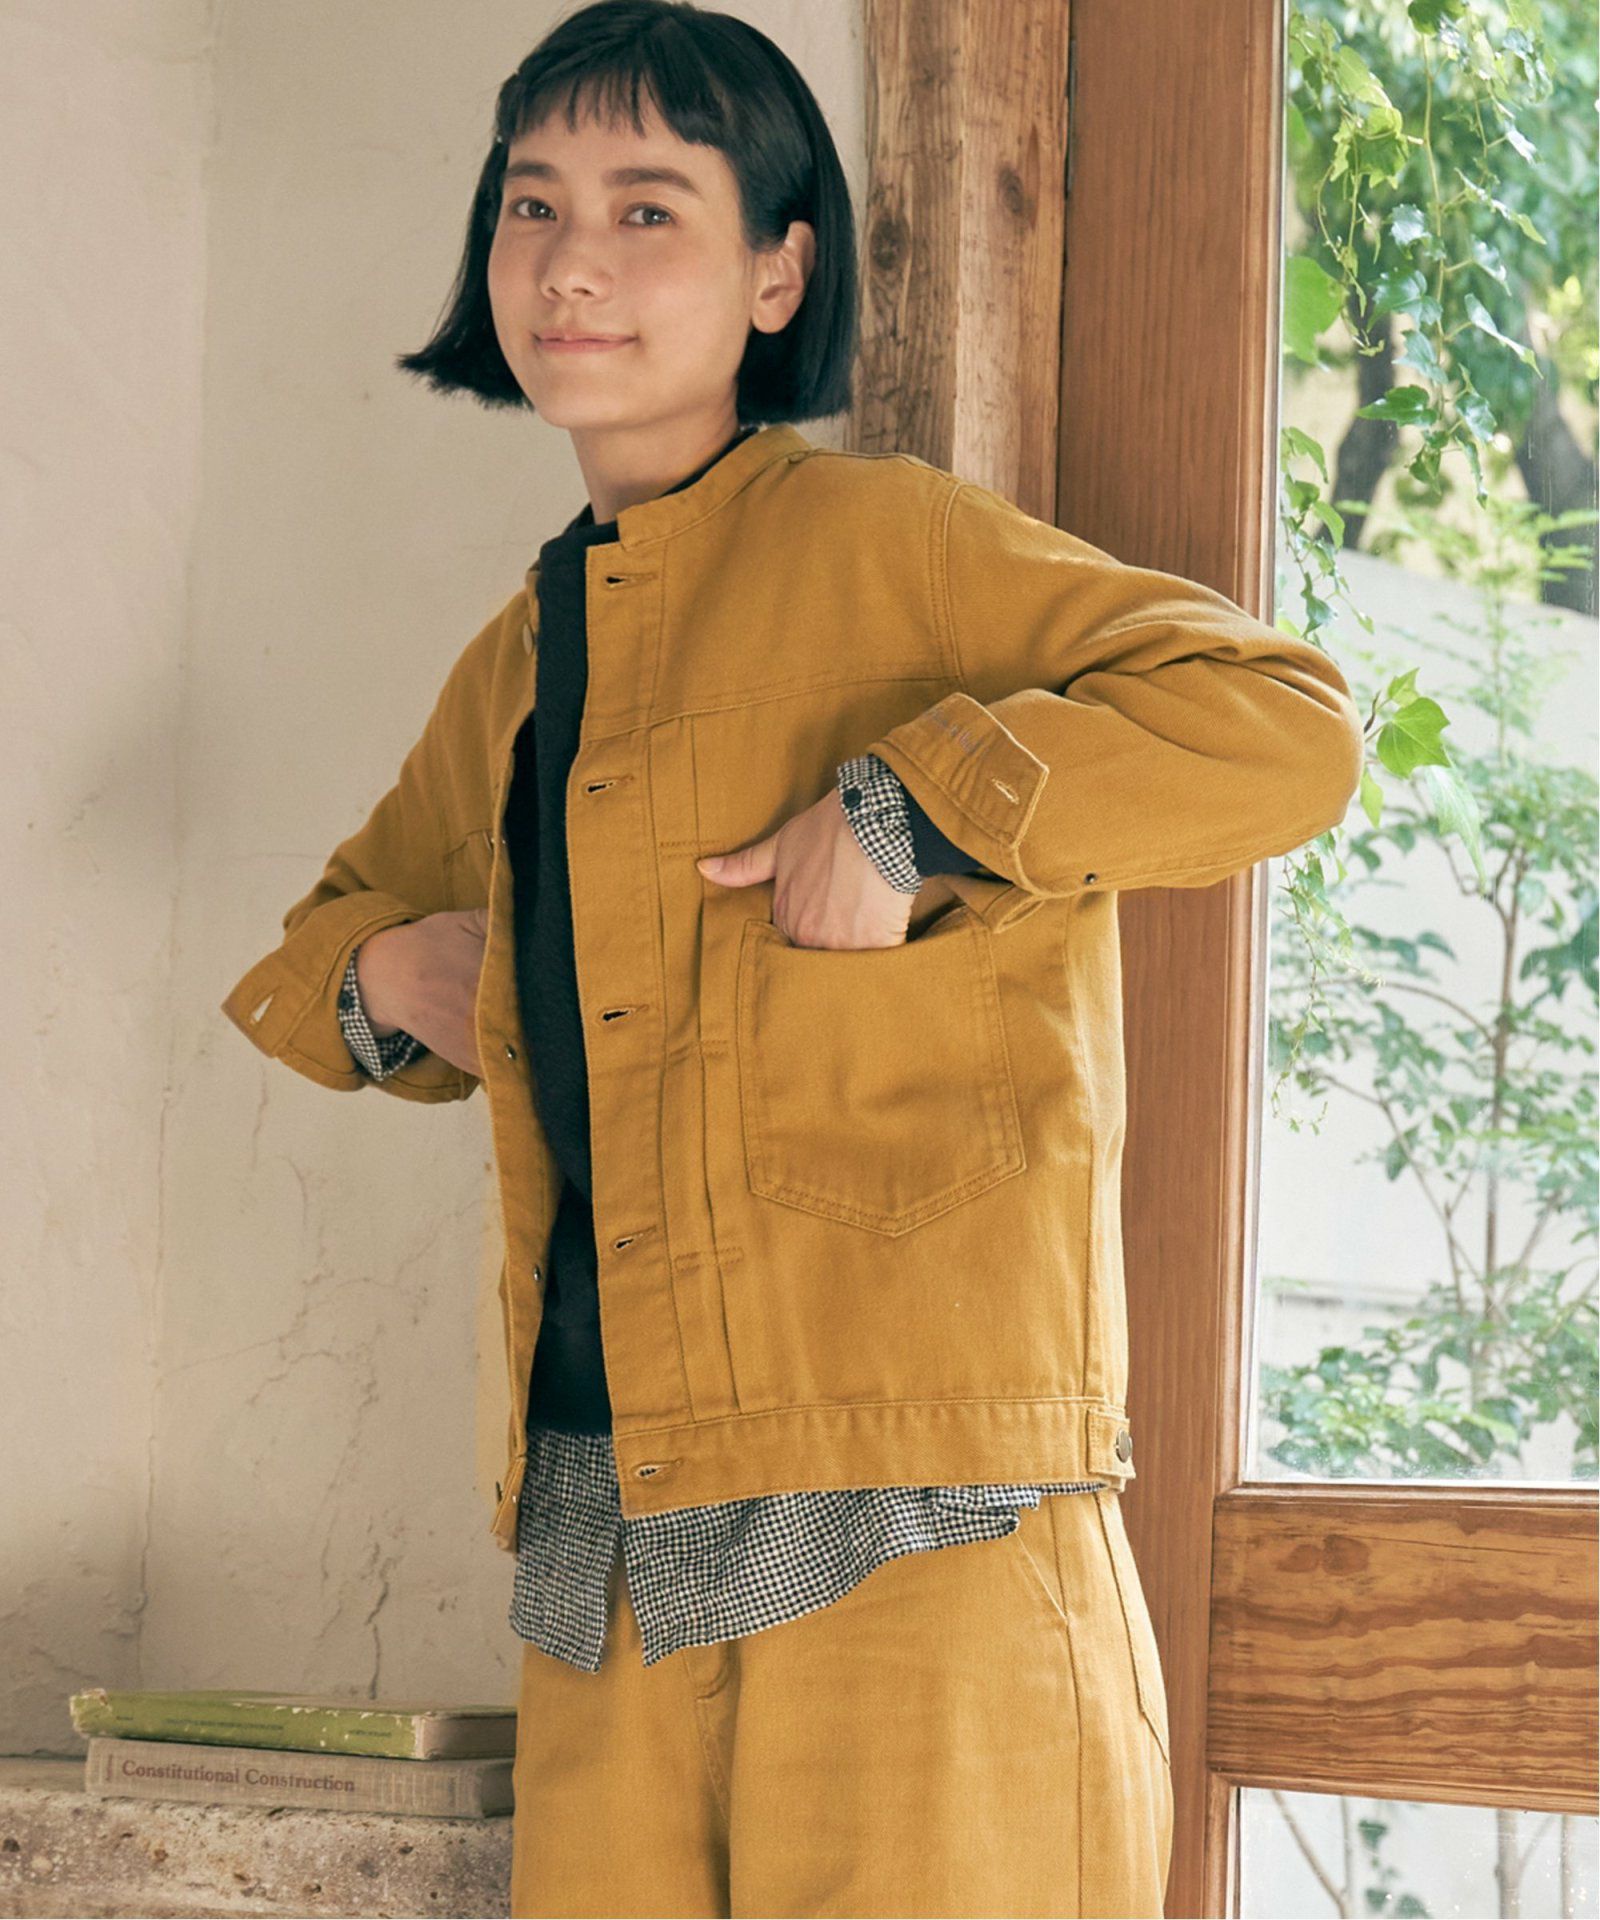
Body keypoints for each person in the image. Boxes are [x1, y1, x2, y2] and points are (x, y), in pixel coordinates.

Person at [220, 4, 1366, 1914]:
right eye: (532, 204)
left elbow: (1288, 731)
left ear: (779, 272)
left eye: (646, 208)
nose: (569, 260)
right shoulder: (525, 658)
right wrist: (390, 983)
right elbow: (318, 958)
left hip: (924, 1525)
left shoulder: (894, 548)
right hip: (608, 1547)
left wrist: (920, 810)